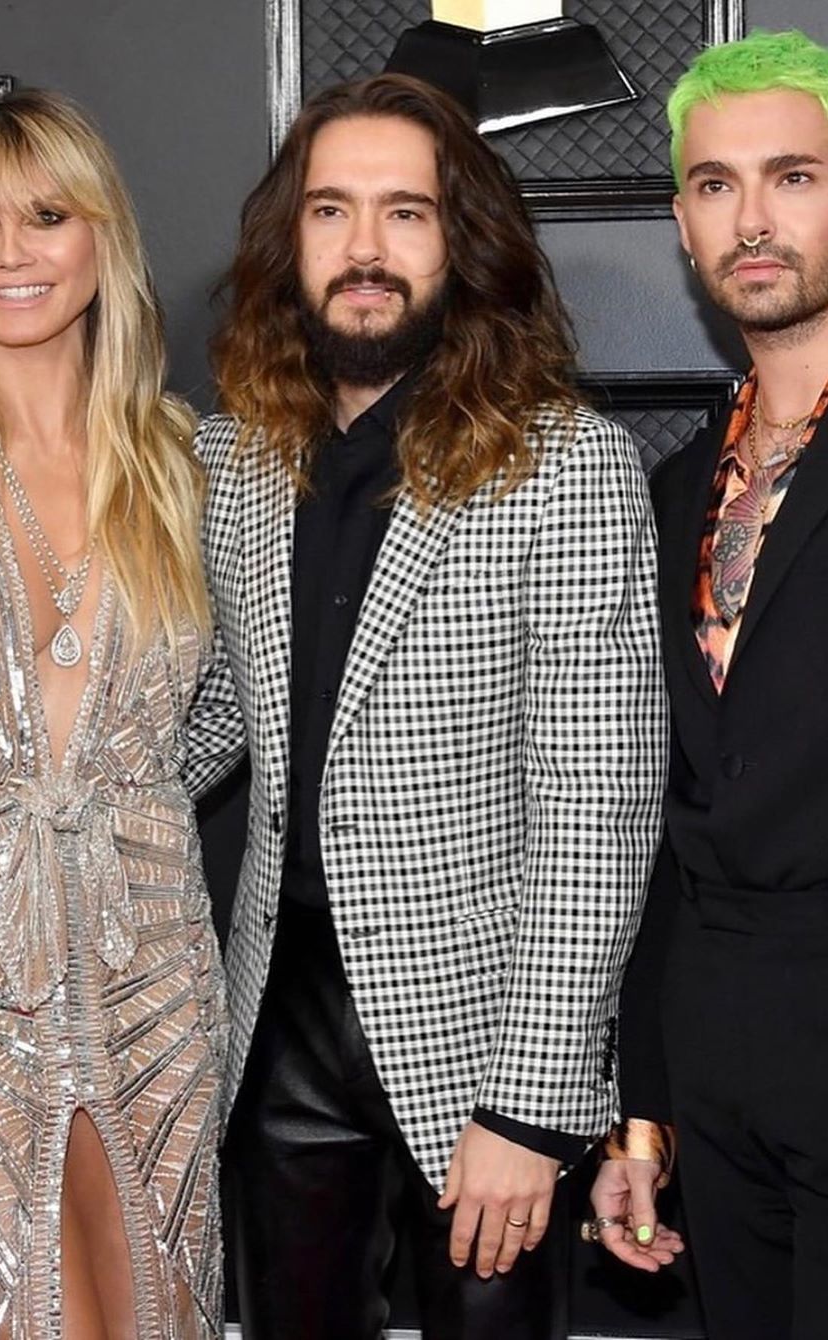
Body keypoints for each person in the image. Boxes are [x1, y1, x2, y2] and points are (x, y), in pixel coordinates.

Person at [183, 73, 667, 1339]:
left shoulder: (564, 463)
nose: (365, 250)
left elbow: (600, 803)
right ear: (290, 242)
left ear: (463, 240)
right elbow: (221, 709)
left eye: (406, 213)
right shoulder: (234, 457)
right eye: (333, 211)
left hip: (482, 1034)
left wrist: (532, 1104)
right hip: (275, 1016)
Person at [588, 28, 828, 1339]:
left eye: (791, 177)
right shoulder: (675, 486)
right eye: (713, 183)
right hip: (715, 1072)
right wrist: (644, 1104)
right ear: (684, 224)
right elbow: (654, 816)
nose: (752, 217)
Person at [0, 90, 228, 1337]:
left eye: (46, 215)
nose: (12, 253)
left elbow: (233, 715)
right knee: (23, 1312)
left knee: (160, 1309)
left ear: (101, 236)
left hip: (154, 969)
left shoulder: (191, 462)